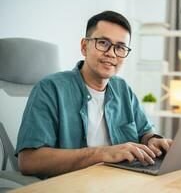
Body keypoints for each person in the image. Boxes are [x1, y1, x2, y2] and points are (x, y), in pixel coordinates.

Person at [15, 11, 172, 178]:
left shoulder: (123, 89)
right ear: (84, 46)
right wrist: (102, 153)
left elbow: (144, 131)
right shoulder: (50, 89)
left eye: (120, 47)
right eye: (103, 43)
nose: (112, 53)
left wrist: (152, 140)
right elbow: (28, 161)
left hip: (122, 182)